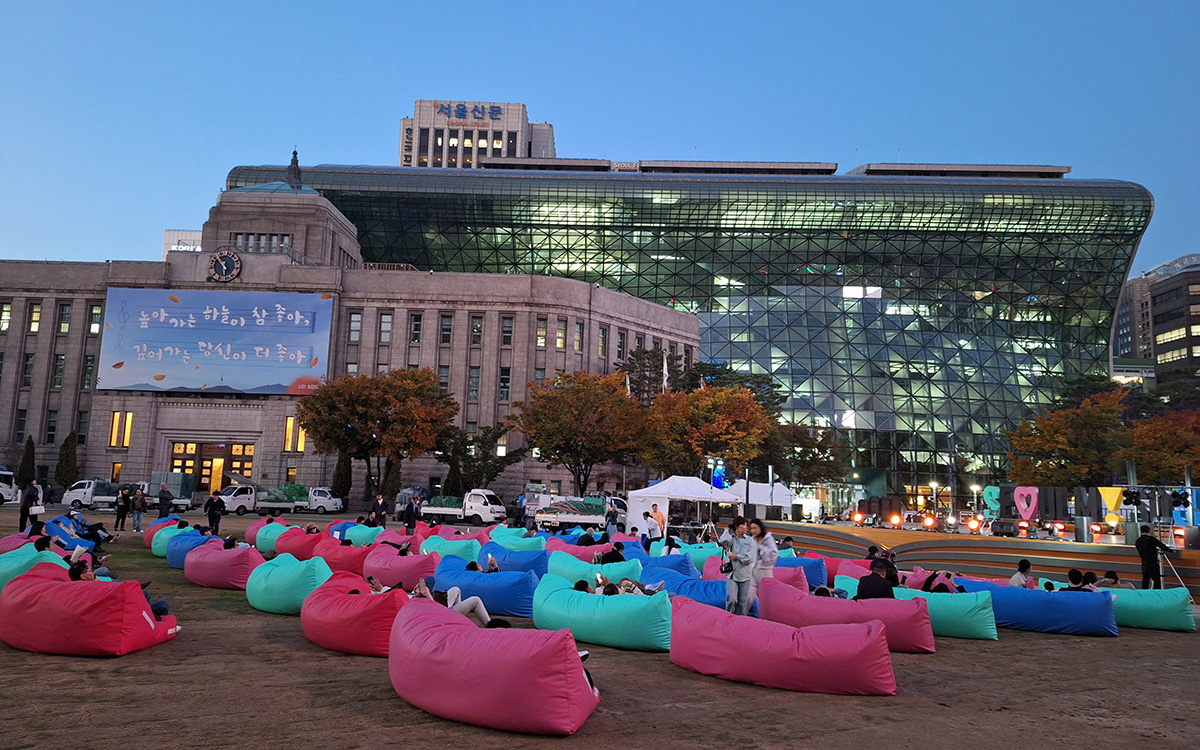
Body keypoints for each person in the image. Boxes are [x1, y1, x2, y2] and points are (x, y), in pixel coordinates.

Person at [413, 579, 492, 625]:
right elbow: (436, 611)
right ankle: (491, 626)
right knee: (476, 600)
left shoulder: (411, 601)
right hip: (441, 616)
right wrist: (428, 595)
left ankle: (459, 621)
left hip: (440, 608)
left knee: (456, 589)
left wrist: (416, 596)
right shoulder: (414, 609)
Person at [719, 516, 755, 615]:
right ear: (737, 527)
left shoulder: (750, 541)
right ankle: (728, 617)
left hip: (745, 575)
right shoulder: (731, 539)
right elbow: (722, 541)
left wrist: (737, 556)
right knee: (732, 598)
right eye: (743, 525)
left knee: (742, 602)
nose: (745, 527)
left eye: (746, 525)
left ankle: (741, 621)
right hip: (732, 574)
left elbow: (750, 557)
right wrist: (727, 531)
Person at [748, 518, 778, 606]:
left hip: (764, 572)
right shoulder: (752, 539)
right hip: (753, 571)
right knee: (748, 597)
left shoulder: (768, 539)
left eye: (755, 528)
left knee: (767, 597)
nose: (753, 531)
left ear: (760, 528)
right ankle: (741, 615)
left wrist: (760, 547)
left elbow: (773, 555)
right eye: (751, 528)